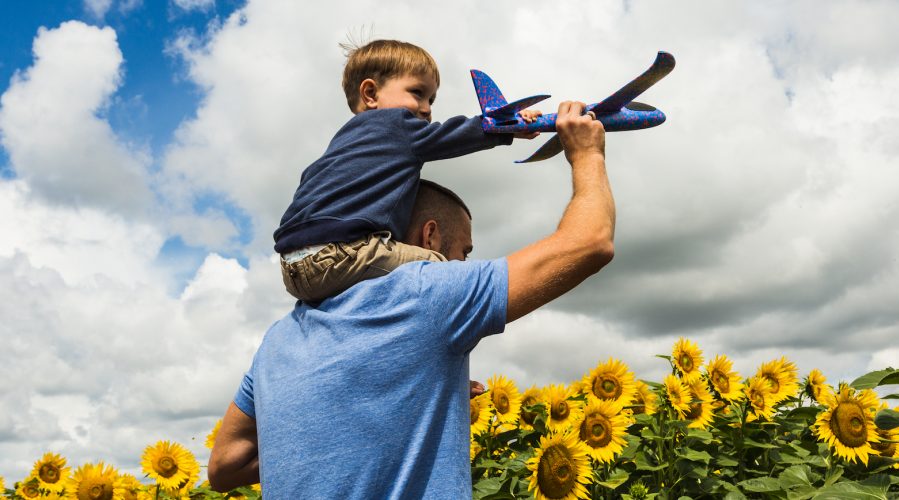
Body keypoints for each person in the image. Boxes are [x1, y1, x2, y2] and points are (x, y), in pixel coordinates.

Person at [208, 100, 613, 498]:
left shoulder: (278, 340)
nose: (463, 262)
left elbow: (225, 466)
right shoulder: (427, 294)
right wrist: (587, 153)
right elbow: (590, 242)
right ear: (430, 236)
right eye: (465, 251)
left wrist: (368, 430)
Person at [275, 39, 539, 304]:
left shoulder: (340, 144)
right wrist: (502, 128)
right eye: (417, 93)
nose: (427, 108)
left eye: (431, 99)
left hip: (292, 268)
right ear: (370, 94)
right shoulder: (397, 125)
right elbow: (449, 136)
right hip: (343, 253)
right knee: (443, 268)